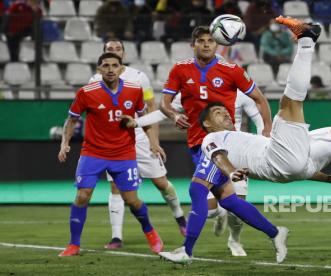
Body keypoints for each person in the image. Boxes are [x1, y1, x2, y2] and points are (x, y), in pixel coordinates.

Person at [151, 16, 331, 265]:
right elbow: (218, 157)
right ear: (206, 124)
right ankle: (306, 41)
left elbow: (300, 168)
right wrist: (233, 172)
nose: (226, 113)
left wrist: (328, 178)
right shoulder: (212, 138)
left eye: (226, 112)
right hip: (279, 159)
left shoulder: (237, 130)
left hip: (295, 162)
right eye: (218, 113)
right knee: (290, 103)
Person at [160, 25, 273, 257]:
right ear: (193, 45)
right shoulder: (180, 70)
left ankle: (186, 252)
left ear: (218, 44)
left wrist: (267, 128)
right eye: (201, 41)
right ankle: (275, 232)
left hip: (222, 143)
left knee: (197, 191)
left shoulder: (231, 70)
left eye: (210, 40)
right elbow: (165, 103)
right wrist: (174, 115)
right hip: (195, 142)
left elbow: (260, 99)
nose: (206, 44)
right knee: (228, 202)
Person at [57, 53, 163, 257]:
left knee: (132, 200)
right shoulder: (86, 92)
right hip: (93, 152)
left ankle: (150, 232)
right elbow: (72, 120)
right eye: (106, 65)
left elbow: (144, 119)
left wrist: (153, 142)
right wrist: (65, 143)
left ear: (121, 68)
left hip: (124, 153)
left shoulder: (134, 91)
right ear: (99, 70)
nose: (111, 69)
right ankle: (74, 244)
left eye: (115, 65)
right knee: (82, 196)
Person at [89, 39, 186, 249]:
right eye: (109, 50)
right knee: (115, 187)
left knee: (161, 183)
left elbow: (151, 108)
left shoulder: (139, 77)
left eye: (117, 49)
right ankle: (116, 237)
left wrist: (154, 141)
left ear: (123, 53)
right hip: (113, 143)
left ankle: (179, 217)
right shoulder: (94, 80)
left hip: (140, 138)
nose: (113, 52)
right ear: (103, 55)